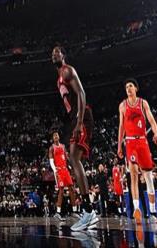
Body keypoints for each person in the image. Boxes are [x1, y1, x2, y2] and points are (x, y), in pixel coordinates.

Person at [51, 46, 98, 231]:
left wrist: (79, 122)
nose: (54, 55)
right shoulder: (59, 79)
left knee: (74, 158)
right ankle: (88, 210)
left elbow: (81, 94)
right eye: (52, 53)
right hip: (74, 119)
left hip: (82, 116)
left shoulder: (68, 70)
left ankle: (88, 211)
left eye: (57, 52)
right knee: (73, 159)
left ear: (63, 55)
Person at [117, 78, 157, 225]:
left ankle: (153, 212)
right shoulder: (122, 105)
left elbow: (152, 120)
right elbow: (121, 127)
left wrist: (156, 133)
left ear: (136, 88)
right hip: (130, 142)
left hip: (143, 141)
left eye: (130, 86)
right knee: (134, 175)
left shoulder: (143, 103)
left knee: (148, 177)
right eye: (126, 87)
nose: (128, 89)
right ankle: (137, 209)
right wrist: (119, 146)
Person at [48, 132, 78, 221]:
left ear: (59, 137)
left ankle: (74, 211)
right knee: (61, 190)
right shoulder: (51, 148)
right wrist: (55, 170)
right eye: (54, 136)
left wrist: (71, 166)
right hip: (59, 170)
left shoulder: (63, 146)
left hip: (65, 169)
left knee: (71, 188)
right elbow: (51, 161)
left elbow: (66, 157)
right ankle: (58, 212)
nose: (56, 137)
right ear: (53, 138)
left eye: (57, 135)